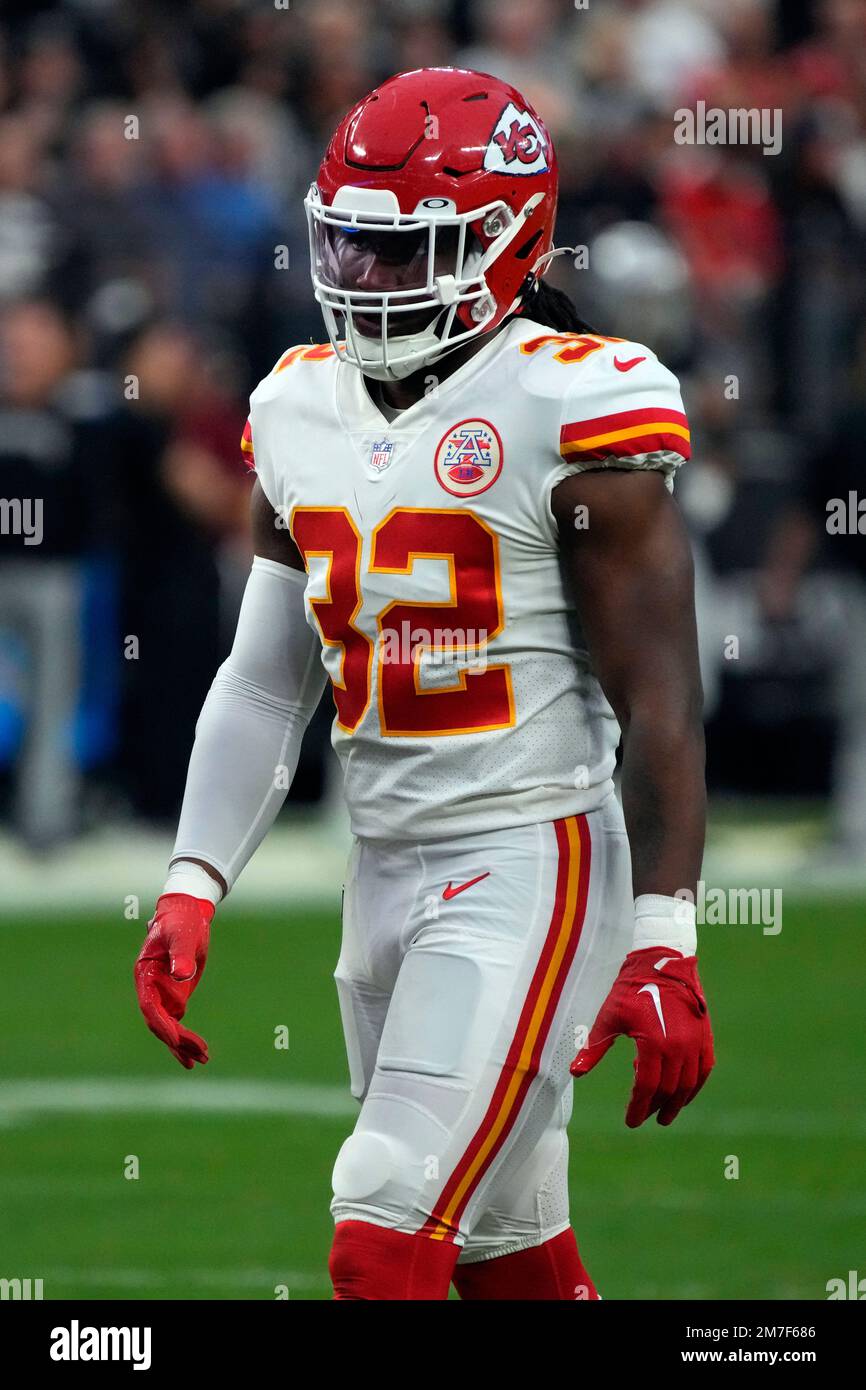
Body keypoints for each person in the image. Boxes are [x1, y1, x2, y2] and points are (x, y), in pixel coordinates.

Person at [134, 67, 714, 1301]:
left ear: (508, 241)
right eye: (348, 243)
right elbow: (261, 678)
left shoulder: (571, 397)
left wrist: (665, 936)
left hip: (529, 851)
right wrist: (192, 881)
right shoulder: (295, 403)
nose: (365, 278)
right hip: (382, 858)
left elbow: (659, 688)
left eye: (408, 252)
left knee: (381, 1220)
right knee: (512, 1256)